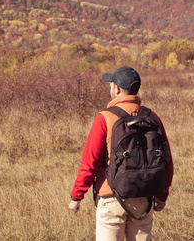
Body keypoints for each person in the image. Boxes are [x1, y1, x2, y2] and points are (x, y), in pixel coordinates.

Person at [69, 66, 174, 240]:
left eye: (111, 85)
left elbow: (90, 162)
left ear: (117, 89)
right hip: (144, 198)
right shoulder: (153, 118)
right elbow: (166, 161)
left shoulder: (105, 118)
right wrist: (162, 196)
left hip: (111, 198)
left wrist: (76, 196)